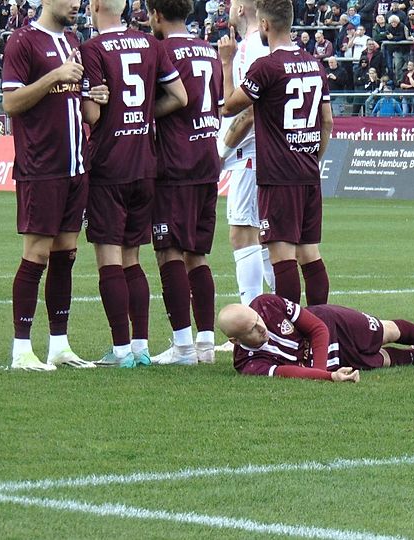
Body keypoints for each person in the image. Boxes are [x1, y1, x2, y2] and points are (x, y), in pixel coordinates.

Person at [79, 0, 187, 368]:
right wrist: (142, 114)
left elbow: (92, 114)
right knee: (133, 259)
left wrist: (93, 103)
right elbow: (180, 96)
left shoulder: (93, 49)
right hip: (145, 162)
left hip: (110, 164)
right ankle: (141, 348)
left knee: (109, 258)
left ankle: (121, 350)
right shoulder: (150, 44)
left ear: (96, 6)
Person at [0, 0, 98, 371]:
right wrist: (54, 76)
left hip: (75, 166)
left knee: (66, 254)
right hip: (41, 167)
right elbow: (11, 102)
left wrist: (95, 98)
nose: (76, 4)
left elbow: (80, 106)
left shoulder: (73, 41)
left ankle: (59, 345)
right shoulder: (22, 41)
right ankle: (22, 349)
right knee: (36, 254)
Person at [219, 0, 332, 308]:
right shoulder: (314, 64)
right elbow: (327, 122)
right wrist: (312, 159)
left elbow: (230, 107)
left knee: (281, 256)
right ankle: (322, 321)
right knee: (310, 254)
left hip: (278, 174)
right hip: (308, 171)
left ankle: (290, 328)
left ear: (265, 25)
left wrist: (227, 64)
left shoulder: (266, 67)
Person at [146, 0, 225, 365]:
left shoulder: (161, 51)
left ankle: (182, 346)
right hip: (208, 158)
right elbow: (218, 103)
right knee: (197, 253)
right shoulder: (209, 50)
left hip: (175, 161)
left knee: (169, 250)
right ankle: (205, 344)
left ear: (157, 15)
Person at [217, 294, 414, 382]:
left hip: (332, 323)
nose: (261, 327)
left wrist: (322, 372)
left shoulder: (266, 304)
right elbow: (288, 372)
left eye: (257, 320)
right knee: (380, 361)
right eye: (252, 329)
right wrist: (329, 376)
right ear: (235, 340)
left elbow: (317, 328)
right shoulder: (247, 364)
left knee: (386, 331)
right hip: (327, 361)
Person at [216, 0, 275, 310]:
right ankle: (282, 315)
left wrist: (222, 152)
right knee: (261, 238)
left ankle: (254, 317)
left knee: (243, 233)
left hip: (250, 152)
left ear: (240, 10)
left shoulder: (251, 48)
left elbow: (250, 109)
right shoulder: (254, 46)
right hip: (259, 151)